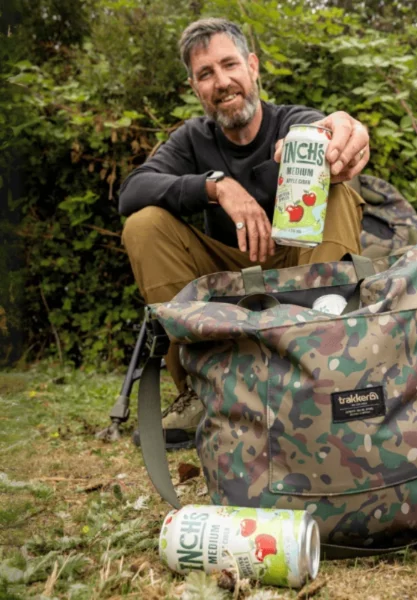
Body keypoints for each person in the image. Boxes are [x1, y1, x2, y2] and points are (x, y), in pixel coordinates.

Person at [119, 17, 370, 450]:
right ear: (195, 87)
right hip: (225, 281)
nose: (221, 82)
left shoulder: (294, 122)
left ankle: (327, 381)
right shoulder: (190, 140)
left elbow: (330, 130)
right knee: (143, 225)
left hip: (299, 266)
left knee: (339, 195)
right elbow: (132, 190)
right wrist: (216, 187)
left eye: (229, 64)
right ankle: (202, 393)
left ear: (252, 66)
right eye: (205, 73)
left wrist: (344, 134)